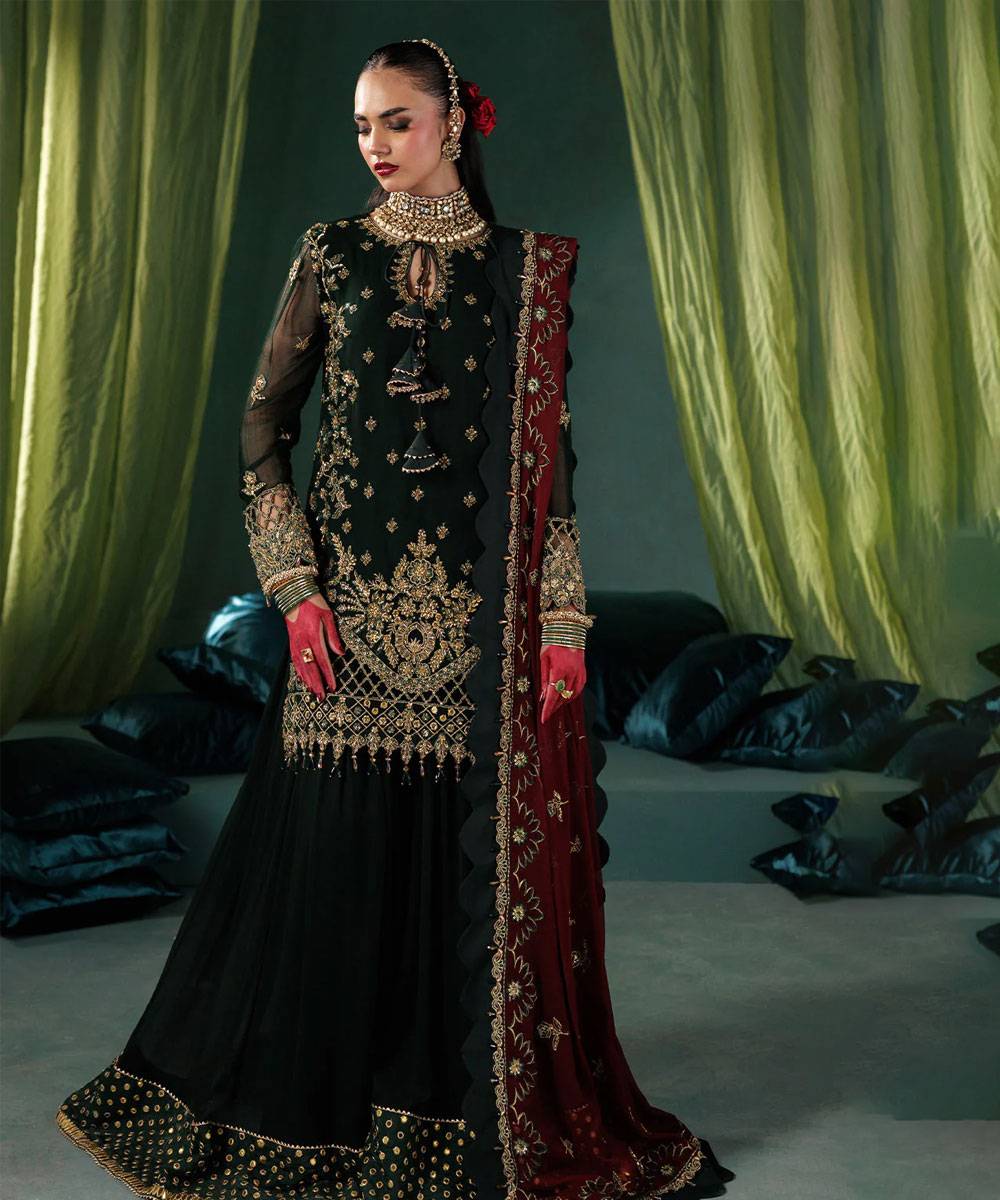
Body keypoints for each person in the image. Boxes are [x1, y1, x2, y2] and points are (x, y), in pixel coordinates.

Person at [56, 37, 736, 1200]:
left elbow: (549, 466)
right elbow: (262, 428)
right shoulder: (331, 254)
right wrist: (294, 590)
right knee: (334, 876)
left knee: (451, 883)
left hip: (479, 633)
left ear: (454, 124)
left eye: (397, 122)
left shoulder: (524, 271)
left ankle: (443, 1121)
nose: (374, 146)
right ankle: (313, 1120)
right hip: (349, 624)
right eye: (362, 125)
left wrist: (562, 622)